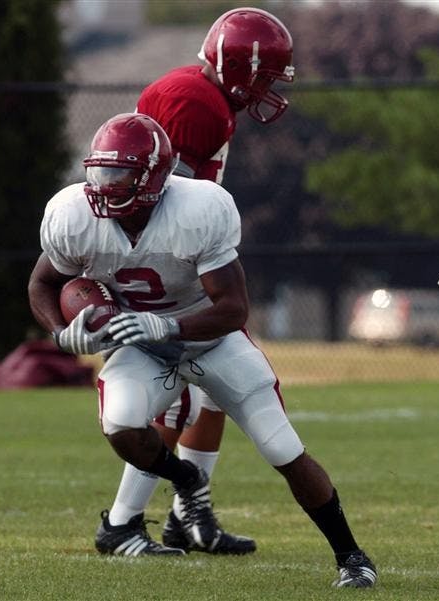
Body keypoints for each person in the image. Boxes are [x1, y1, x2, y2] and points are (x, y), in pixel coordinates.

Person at [27, 112, 377, 588]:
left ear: (152, 177)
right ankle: (186, 479)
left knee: (281, 448)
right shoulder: (74, 216)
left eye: (118, 175)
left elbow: (234, 310)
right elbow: (43, 283)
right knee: (121, 424)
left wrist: (168, 323)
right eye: (99, 172)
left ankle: (352, 557)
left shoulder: (197, 210)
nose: (104, 186)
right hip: (145, 347)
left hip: (212, 341)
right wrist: (60, 333)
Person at [96, 7, 297, 556]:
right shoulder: (195, 102)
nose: (270, 89)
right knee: (184, 397)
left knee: (211, 393)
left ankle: (188, 520)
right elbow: (160, 198)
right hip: (171, 270)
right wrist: (189, 277)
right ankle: (122, 522)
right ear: (237, 66)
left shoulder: (204, 95)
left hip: (180, 262)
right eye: (265, 75)